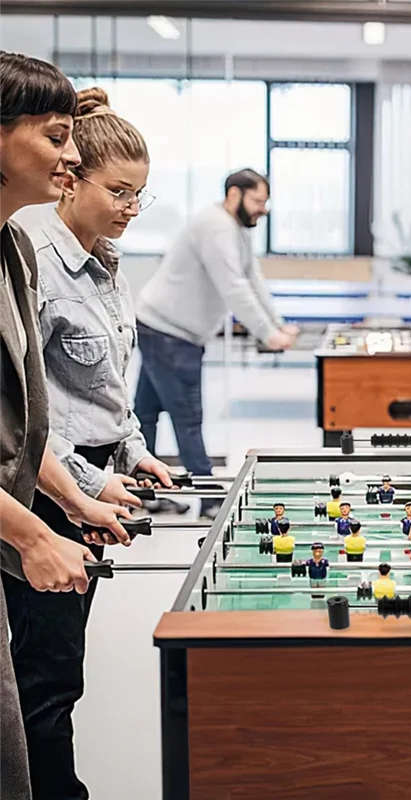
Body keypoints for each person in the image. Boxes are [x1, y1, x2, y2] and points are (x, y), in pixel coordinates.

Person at [9, 86, 177, 800]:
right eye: (117, 191)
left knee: (62, 662)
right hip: (43, 491)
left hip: (91, 488)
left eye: (140, 195)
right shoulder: (34, 260)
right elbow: (29, 409)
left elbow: (108, 385)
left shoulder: (106, 260)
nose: (129, 209)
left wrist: (134, 451)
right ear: (70, 177)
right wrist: (83, 483)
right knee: (46, 673)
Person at [0, 52, 131, 800]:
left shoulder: (14, 249)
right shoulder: (32, 252)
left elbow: (26, 419)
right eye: (55, 137)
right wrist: (34, 531)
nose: (72, 154)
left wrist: (77, 503)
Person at [134, 169, 298, 518]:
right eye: (257, 200)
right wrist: (267, 334)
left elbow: (252, 277)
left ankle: (142, 493)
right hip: (169, 332)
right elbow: (233, 286)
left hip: (163, 326)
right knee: (187, 417)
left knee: (145, 414)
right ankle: (209, 501)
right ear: (234, 194)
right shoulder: (215, 227)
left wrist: (279, 324)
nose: (263, 209)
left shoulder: (234, 228)